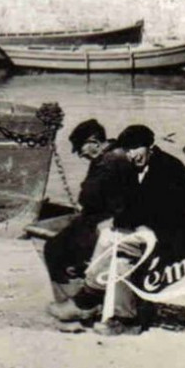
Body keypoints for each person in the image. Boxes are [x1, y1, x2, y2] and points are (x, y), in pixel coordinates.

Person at [78, 124, 185, 336]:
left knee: (110, 241)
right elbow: (136, 207)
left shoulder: (166, 169)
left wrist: (122, 223)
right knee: (120, 260)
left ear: (149, 146)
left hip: (178, 238)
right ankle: (125, 319)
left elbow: (155, 211)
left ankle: (91, 293)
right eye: (128, 151)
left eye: (136, 149)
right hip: (158, 232)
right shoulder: (148, 166)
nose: (132, 155)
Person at [44, 120, 138, 320]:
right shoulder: (114, 156)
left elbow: (88, 197)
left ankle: (81, 305)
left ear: (94, 142)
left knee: (54, 249)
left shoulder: (109, 161)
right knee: (63, 245)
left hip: (109, 223)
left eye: (80, 148)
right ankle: (85, 299)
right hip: (109, 219)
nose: (80, 154)